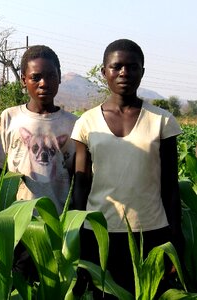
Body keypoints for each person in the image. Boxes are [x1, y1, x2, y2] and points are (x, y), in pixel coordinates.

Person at [71, 39, 183, 297]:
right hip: (100, 232)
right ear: (104, 72)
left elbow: (169, 183)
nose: (124, 73)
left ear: (142, 72)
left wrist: (176, 235)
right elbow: (81, 183)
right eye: (116, 66)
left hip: (152, 231)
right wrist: (76, 231)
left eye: (132, 67)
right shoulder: (87, 122)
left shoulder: (162, 121)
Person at [0, 45, 78, 214]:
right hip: (16, 218)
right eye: (35, 77)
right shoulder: (9, 117)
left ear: (59, 78)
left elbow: (78, 177)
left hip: (59, 218)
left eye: (51, 76)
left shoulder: (74, 124)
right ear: (23, 80)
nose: (44, 83)